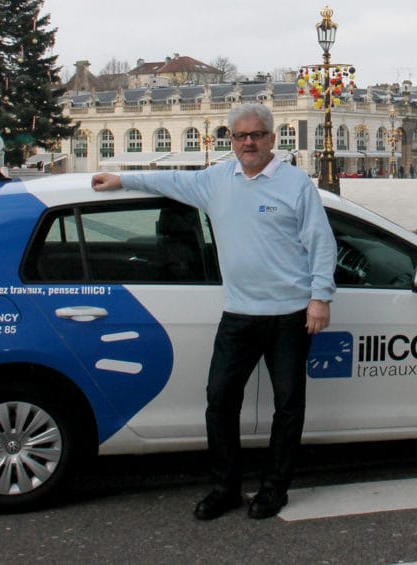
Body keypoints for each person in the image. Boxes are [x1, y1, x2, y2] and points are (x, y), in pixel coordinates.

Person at [91, 102, 335, 520]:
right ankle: (225, 489)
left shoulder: (296, 184)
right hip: (239, 314)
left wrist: (320, 297)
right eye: (240, 136)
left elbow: (321, 243)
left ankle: (274, 490)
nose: (248, 142)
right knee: (219, 402)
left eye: (256, 135)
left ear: (272, 139)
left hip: (291, 314)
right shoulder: (216, 180)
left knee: (288, 407)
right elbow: (167, 180)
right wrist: (121, 178)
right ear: (231, 140)